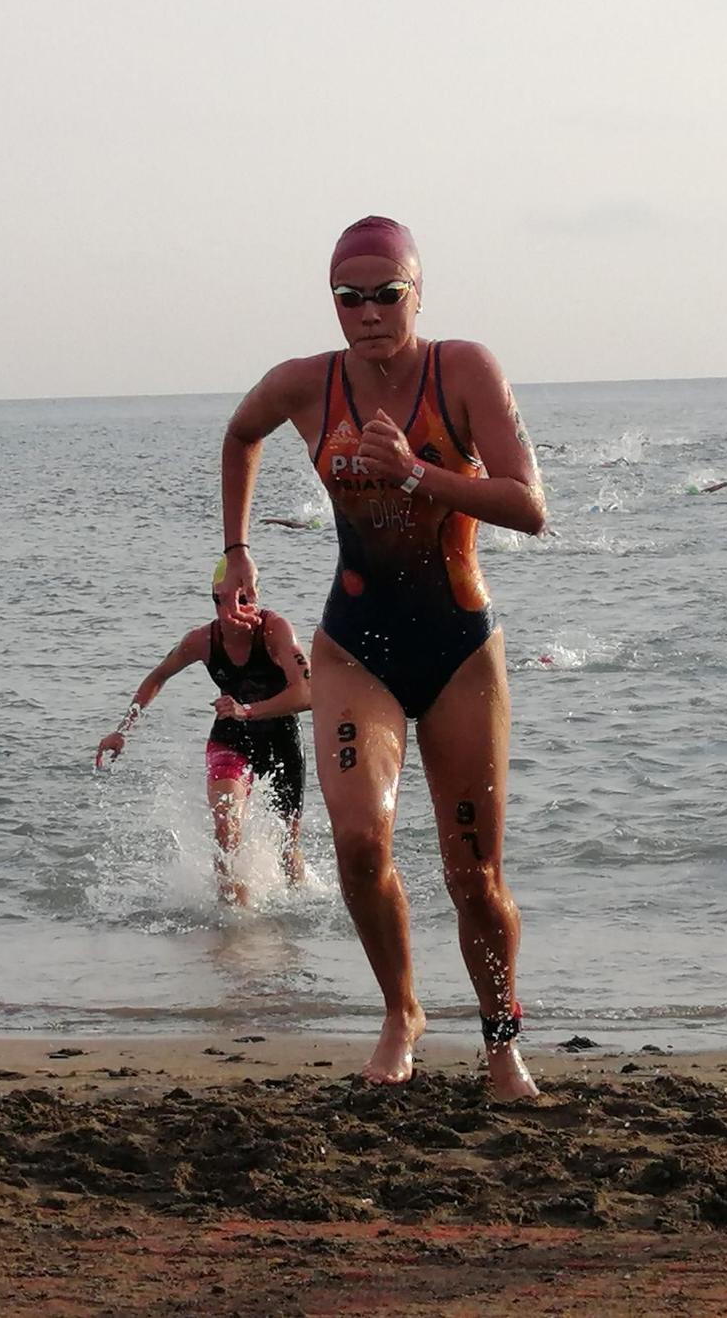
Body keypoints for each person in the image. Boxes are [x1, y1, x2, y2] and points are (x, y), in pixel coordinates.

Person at [218, 215, 546, 1093]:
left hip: (459, 648)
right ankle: (401, 1012)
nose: (367, 312)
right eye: (348, 297)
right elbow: (239, 432)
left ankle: (502, 1039)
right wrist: (239, 548)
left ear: (417, 292)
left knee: (473, 873)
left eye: (386, 294)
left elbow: (529, 505)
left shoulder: (463, 370)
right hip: (354, 643)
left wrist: (417, 475)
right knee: (361, 842)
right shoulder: (304, 385)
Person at [95, 560, 312, 904]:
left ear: (254, 599)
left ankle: (297, 917)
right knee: (227, 833)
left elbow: (307, 693)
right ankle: (232, 931)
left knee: (288, 849)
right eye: (222, 600)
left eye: (243, 600)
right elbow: (158, 676)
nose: (233, 610)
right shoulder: (202, 641)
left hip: (280, 739)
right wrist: (122, 730)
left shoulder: (275, 631)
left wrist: (248, 710)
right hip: (231, 739)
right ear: (214, 598)